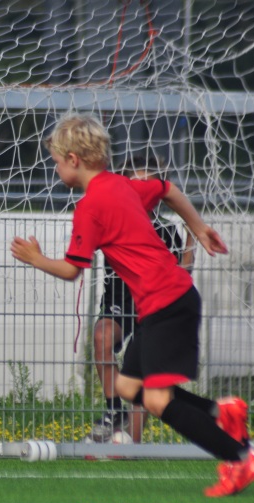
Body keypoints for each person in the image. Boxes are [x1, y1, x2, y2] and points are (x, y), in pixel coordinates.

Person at [10, 113, 254, 497]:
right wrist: (198, 227)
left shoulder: (90, 206)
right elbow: (167, 188)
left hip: (167, 301)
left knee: (159, 400)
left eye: (57, 161)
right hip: (165, 301)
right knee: (129, 386)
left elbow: (71, 271)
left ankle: (242, 459)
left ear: (74, 160)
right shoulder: (124, 185)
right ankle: (222, 412)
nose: (56, 167)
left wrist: (35, 258)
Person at [90, 156, 195, 444]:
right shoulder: (110, 217)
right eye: (135, 183)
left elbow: (182, 276)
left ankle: (131, 444)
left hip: (152, 305)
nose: (141, 189)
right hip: (119, 301)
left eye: (148, 184)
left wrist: (190, 246)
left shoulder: (165, 230)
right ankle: (114, 410)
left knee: (141, 374)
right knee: (102, 337)